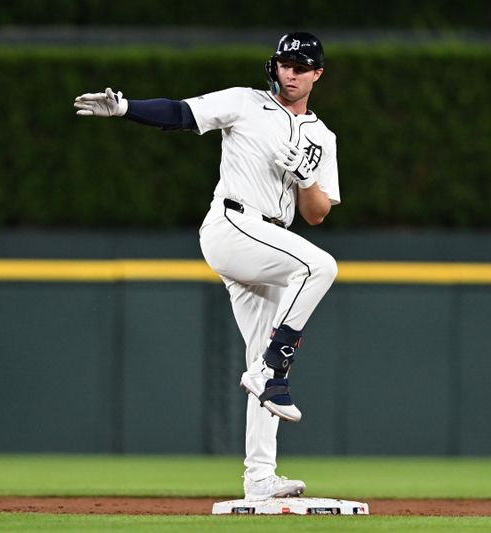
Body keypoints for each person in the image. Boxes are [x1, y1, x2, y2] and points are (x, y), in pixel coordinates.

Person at [74, 32, 339, 501]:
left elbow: (317, 212)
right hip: (233, 224)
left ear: (317, 73)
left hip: (270, 242)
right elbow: (180, 113)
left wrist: (305, 177)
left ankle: (259, 477)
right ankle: (274, 367)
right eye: (284, 63)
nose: (291, 72)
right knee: (320, 267)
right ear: (274, 66)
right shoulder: (244, 102)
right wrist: (125, 108)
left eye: (301, 66)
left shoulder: (323, 137)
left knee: (262, 362)